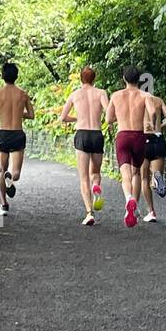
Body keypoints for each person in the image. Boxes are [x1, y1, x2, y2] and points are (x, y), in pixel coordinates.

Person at [59, 65, 109, 225]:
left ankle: (89, 213)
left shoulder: (75, 95)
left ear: (81, 78)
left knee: (83, 178)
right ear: (94, 79)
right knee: (95, 172)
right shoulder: (101, 93)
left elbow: (63, 117)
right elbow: (109, 113)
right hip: (96, 134)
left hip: (81, 134)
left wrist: (77, 119)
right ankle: (96, 186)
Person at [0, 62, 33, 214]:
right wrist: (19, 114)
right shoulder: (23, 94)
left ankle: (4, 204)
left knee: (1, 170)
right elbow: (31, 115)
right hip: (17, 134)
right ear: (16, 76)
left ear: (2, 76)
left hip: (2, 134)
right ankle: (11, 178)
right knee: (15, 172)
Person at [106, 65, 149, 227]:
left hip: (123, 136)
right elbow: (150, 115)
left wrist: (120, 117)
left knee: (125, 172)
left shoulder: (116, 96)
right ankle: (135, 206)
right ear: (139, 79)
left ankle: (128, 199)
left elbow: (108, 119)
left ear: (124, 78)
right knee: (136, 172)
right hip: (139, 136)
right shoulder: (144, 96)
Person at [139, 78, 166, 223]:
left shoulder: (138, 100)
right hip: (158, 139)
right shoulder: (158, 100)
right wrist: (160, 126)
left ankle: (151, 211)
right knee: (157, 173)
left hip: (143, 139)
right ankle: (158, 178)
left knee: (143, 179)